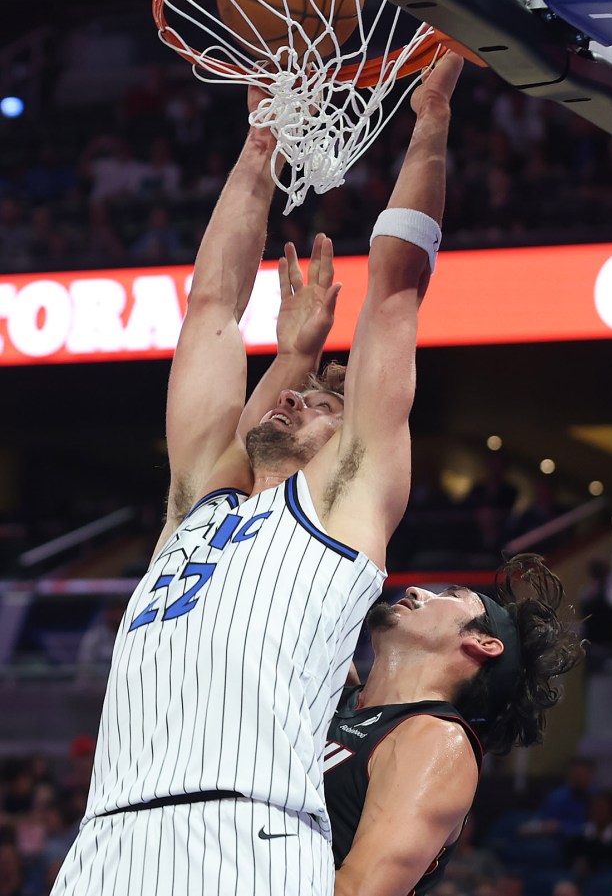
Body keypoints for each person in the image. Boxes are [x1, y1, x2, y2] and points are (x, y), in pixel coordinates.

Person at [50, 52, 464, 896]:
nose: (294, 401)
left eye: (317, 403)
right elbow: (211, 306)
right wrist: (258, 145)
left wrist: (429, 127)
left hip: (247, 838)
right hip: (101, 847)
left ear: (352, 444)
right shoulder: (194, 503)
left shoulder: (348, 508)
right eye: (297, 393)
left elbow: (393, 296)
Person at [324, 555, 584, 896]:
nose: (417, 591)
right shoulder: (337, 691)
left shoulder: (436, 740)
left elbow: (358, 892)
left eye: (451, 595)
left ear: (483, 643)